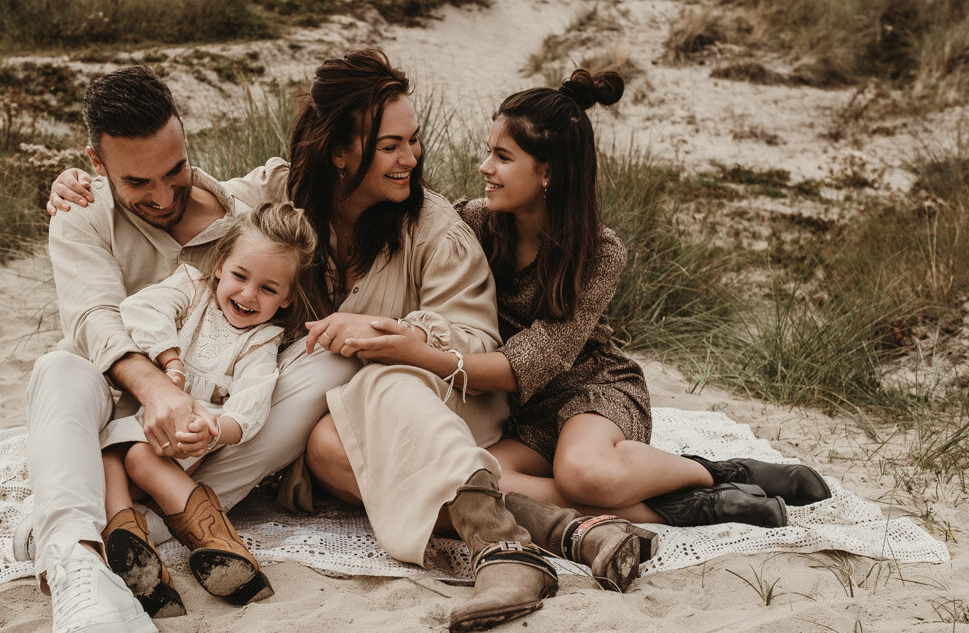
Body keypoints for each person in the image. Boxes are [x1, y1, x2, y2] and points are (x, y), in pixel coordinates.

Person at [50, 50, 641, 633]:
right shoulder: (279, 196)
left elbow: (477, 338)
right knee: (329, 441)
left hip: (437, 402)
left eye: (412, 140)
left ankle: (511, 546)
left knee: (360, 378)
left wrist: (394, 337)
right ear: (338, 151)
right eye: (390, 146)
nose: (411, 158)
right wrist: (86, 185)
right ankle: (554, 530)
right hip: (325, 421)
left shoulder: (436, 229)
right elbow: (206, 210)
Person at [321, 69, 831, 542]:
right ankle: (686, 505)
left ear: (547, 172)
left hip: (590, 390)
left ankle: (718, 472)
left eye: (502, 157)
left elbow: (538, 360)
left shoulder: (598, 252)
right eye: (488, 153)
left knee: (584, 473)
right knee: (478, 477)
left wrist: (419, 354)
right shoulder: (473, 224)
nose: (484, 168)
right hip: (521, 414)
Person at [27, 65, 357, 633]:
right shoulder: (81, 215)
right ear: (95, 163)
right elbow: (96, 317)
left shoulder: (247, 201)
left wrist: (214, 425)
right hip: (120, 408)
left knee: (331, 356)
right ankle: (80, 567)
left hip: (209, 437)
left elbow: (335, 169)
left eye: (173, 170)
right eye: (137, 181)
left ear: (185, 140)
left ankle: (159, 520)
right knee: (58, 367)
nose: (160, 194)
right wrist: (158, 387)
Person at [98, 202, 317, 618]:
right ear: (219, 266)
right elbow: (139, 310)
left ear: (287, 298)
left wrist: (214, 429)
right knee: (108, 454)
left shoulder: (260, 343)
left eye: (269, 289)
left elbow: (250, 406)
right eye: (239, 276)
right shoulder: (191, 289)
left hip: (180, 445)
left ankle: (213, 541)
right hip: (135, 425)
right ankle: (131, 546)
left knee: (137, 456)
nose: (248, 295)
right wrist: (170, 360)